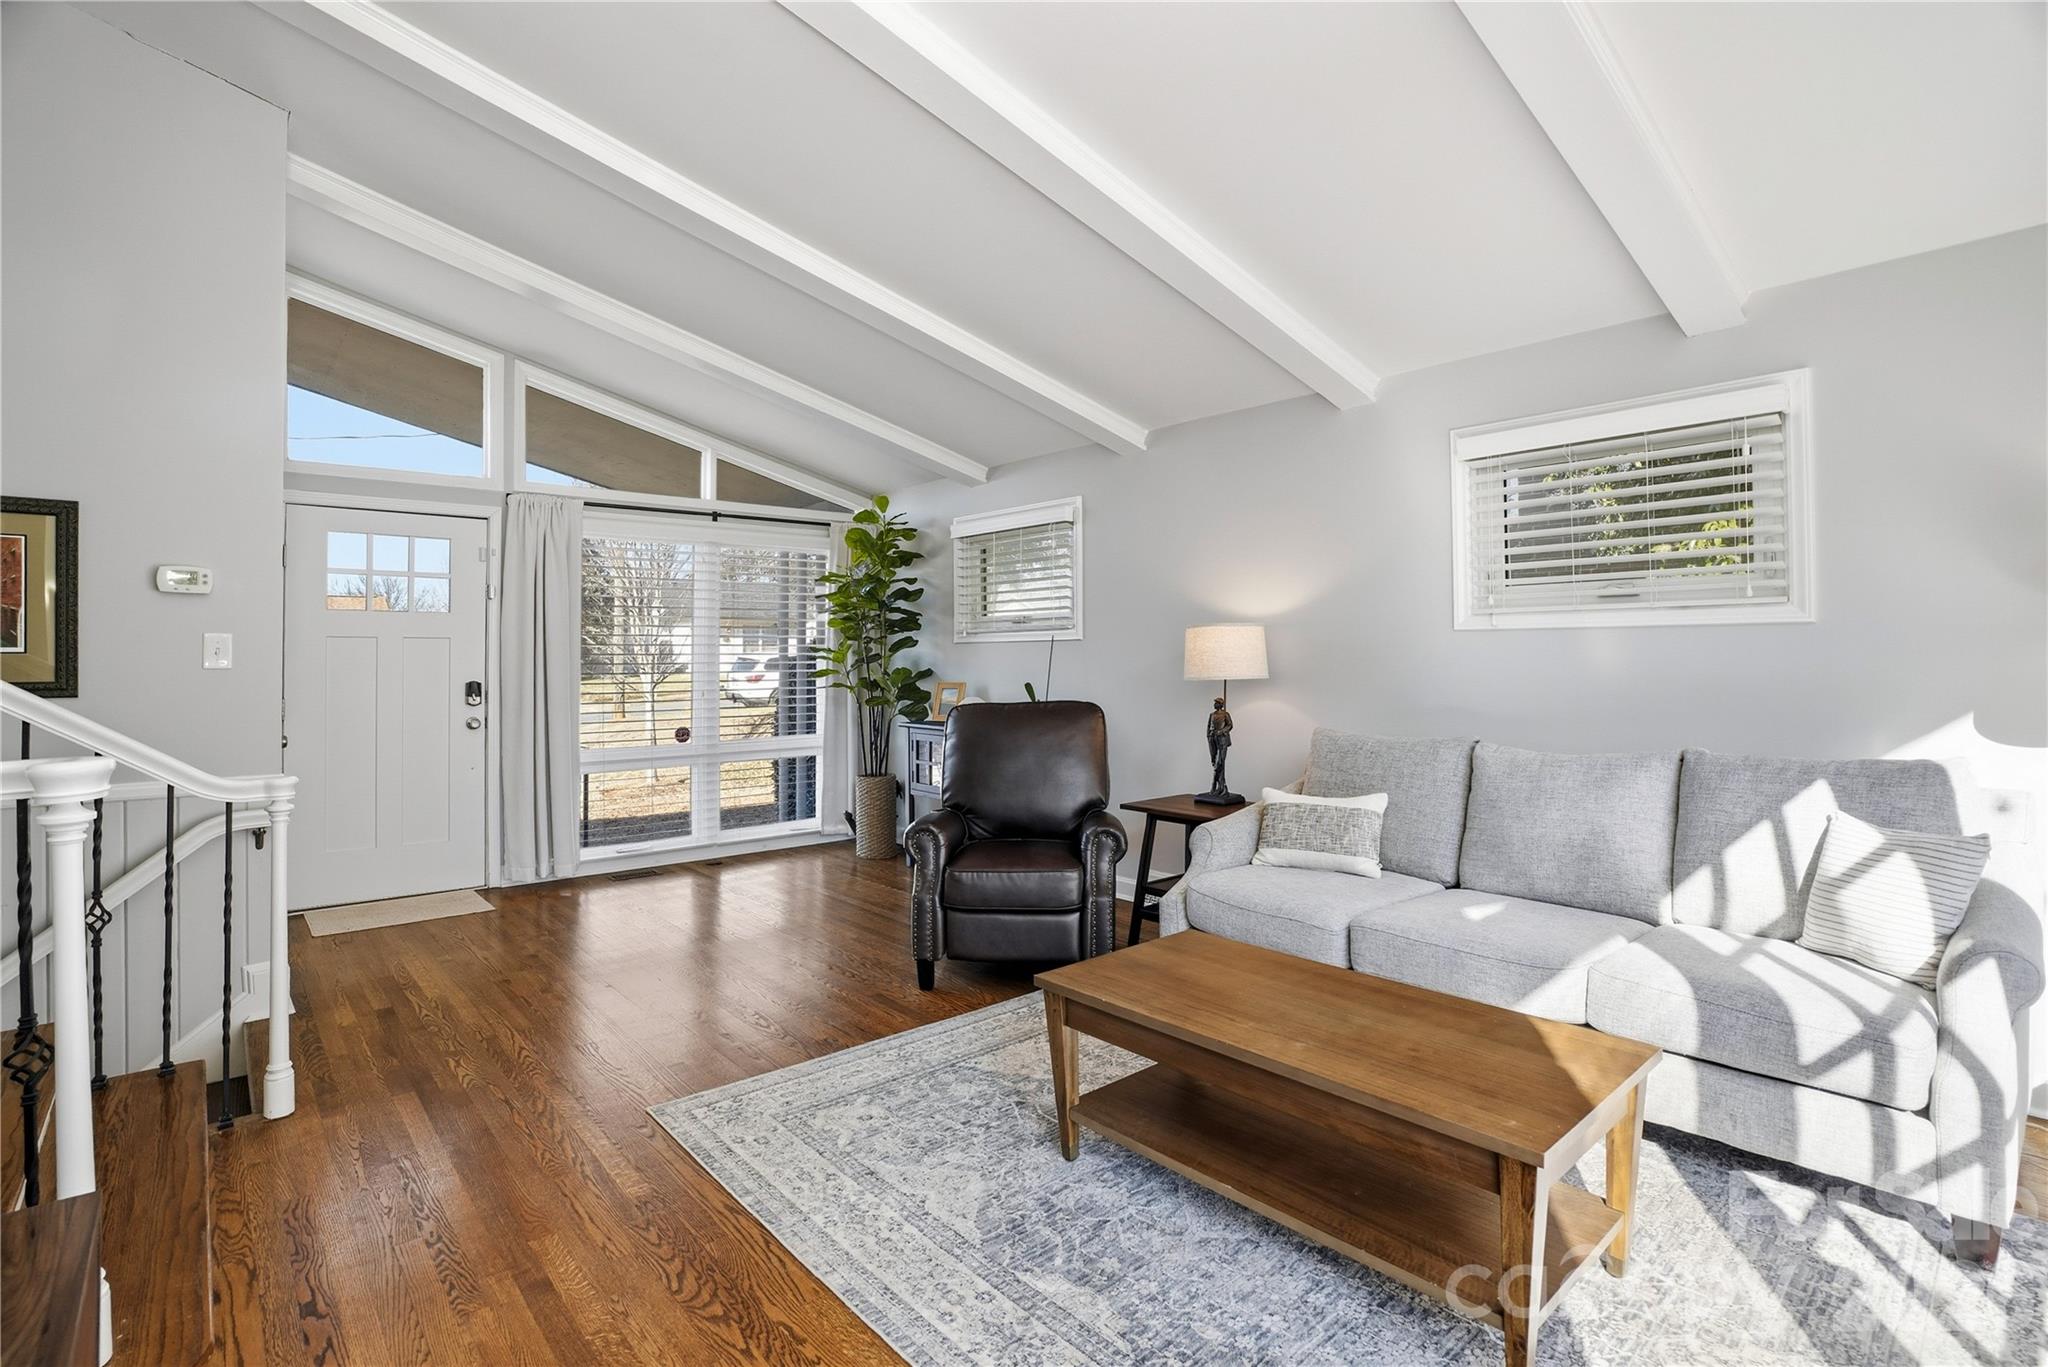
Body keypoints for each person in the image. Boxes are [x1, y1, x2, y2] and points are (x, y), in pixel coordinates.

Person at [1205, 696, 1232, 795]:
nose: (1214, 704)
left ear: (1220, 704)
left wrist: (1221, 731)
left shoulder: (1225, 714)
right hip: (1212, 739)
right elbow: (1208, 727)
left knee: (1220, 762)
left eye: (1216, 703)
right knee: (1214, 761)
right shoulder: (1211, 715)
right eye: (1214, 703)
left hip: (1222, 740)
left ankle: (1216, 786)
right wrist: (1208, 736)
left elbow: (1230, 725)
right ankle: (1222, 786)